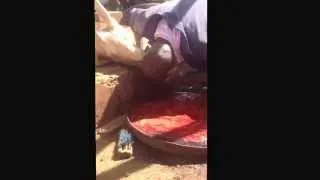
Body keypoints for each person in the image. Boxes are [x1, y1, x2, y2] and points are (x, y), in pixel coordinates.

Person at [122, 0, 207, 84]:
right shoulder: (142, 18)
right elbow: (126, 15)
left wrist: (187, 76)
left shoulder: (201, 46)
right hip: (177, 7)